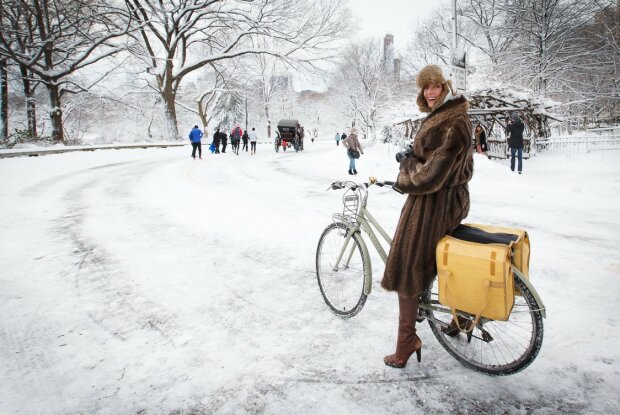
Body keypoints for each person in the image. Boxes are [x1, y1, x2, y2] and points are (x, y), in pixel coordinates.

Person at [381, 64, 474, 368]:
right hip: (441, 199)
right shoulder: (444, 117)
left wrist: (407, 169)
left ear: (446, 87)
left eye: (435, 86)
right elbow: (437, 160)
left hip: (436, 202)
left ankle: (407, 341)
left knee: (408, 264)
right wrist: (414, 154)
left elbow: (430, 176)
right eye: (425, 87)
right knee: (439, 260)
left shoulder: (453, 122)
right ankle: (461, 318)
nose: (430, 93)